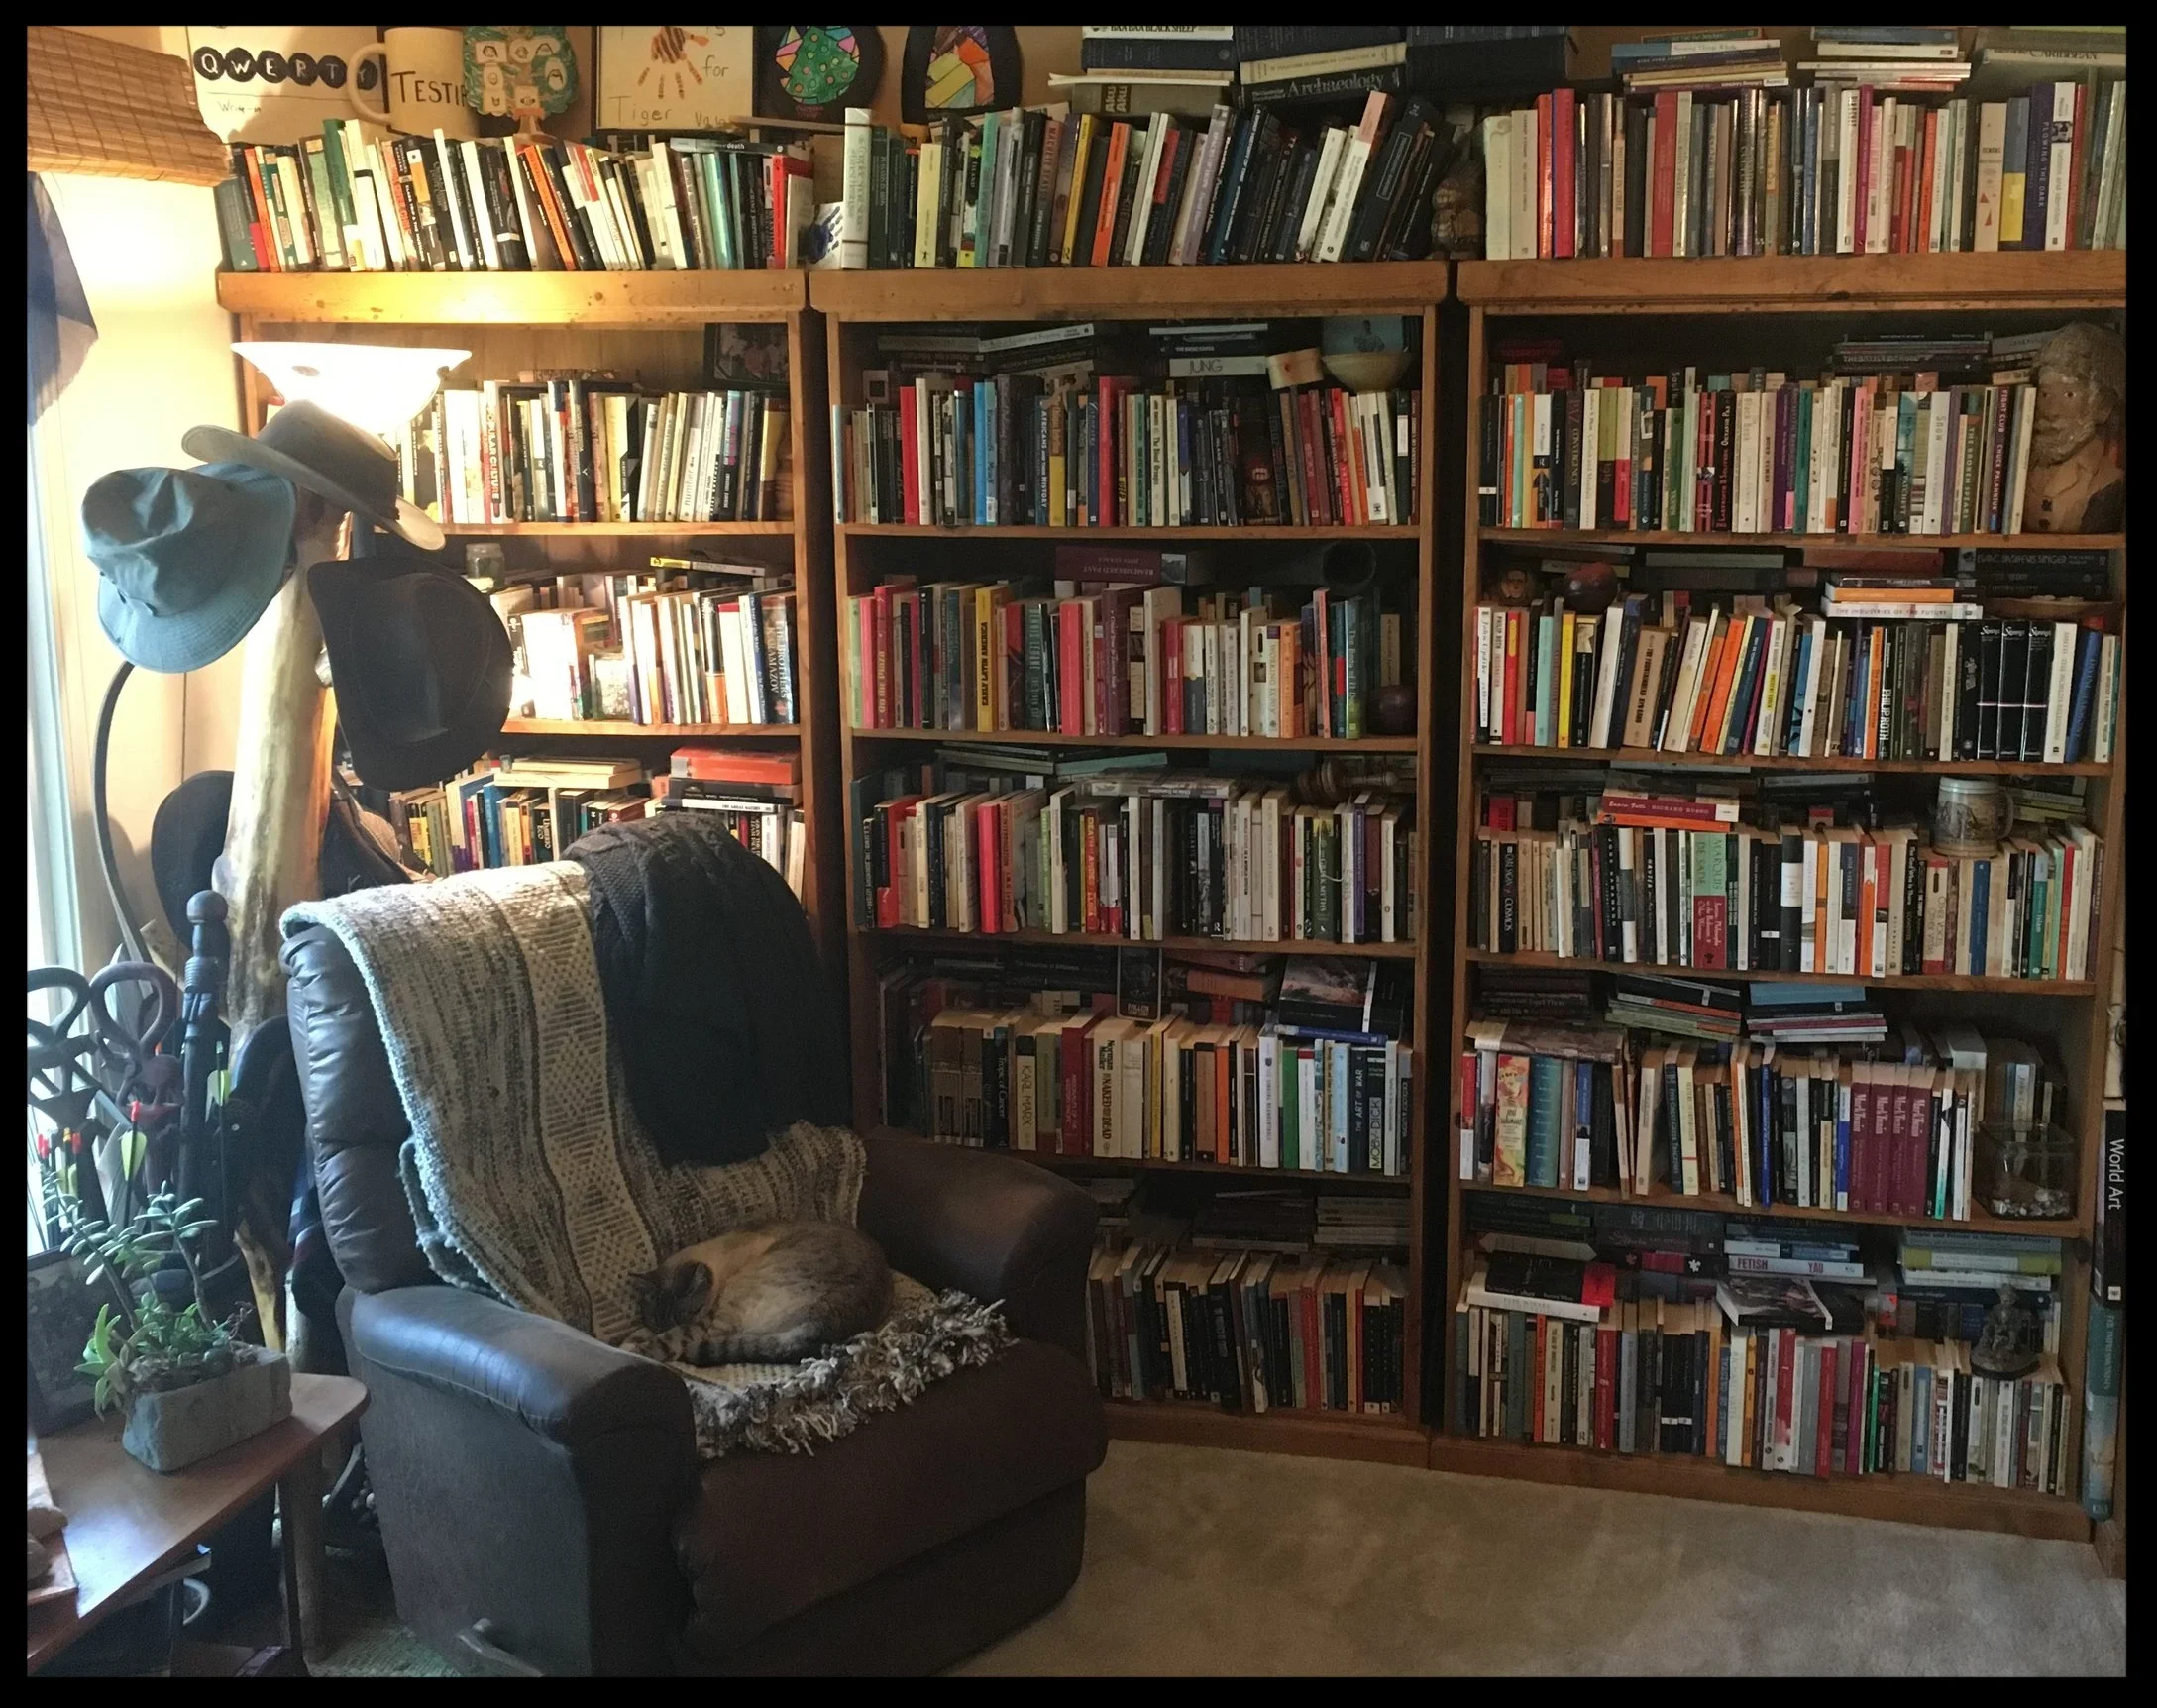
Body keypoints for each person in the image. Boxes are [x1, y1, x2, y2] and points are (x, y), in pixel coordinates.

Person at [2023, 322, 2126, 534]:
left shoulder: (2109, 478)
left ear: (2103, 406)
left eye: (2069, 395)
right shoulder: (2018, 467)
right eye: (2045, 395)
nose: (2051, 411)